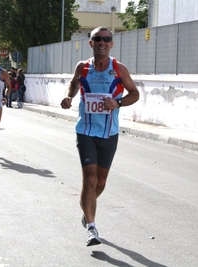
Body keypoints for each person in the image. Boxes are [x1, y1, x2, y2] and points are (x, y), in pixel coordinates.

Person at [60, 26, 140, 246]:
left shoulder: (118, 69)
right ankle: (92, 229)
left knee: (101, 182)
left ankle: (88, 208)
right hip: (85, 131)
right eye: (97, 39)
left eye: (106, 39)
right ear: (91, 43)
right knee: (90, 177)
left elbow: (135, 93)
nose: (102, 42)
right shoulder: (83, 67)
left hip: (109, 133)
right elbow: (74, 83)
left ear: (111, 44)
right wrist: (68, 97)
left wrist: (118, 102)